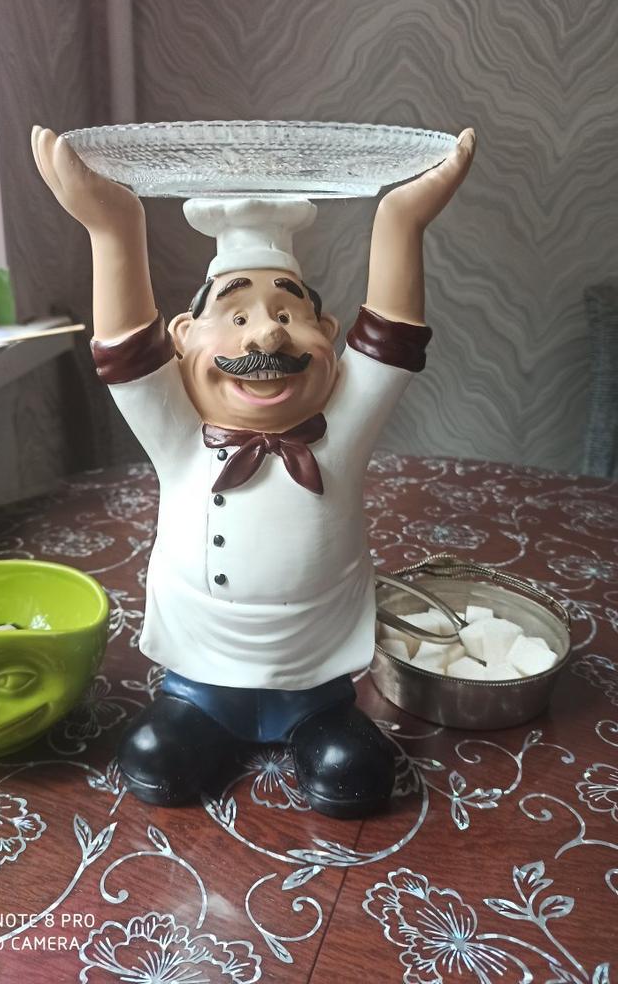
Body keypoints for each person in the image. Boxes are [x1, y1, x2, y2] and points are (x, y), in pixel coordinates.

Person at [31, 125, 476, 818]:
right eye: (235, 316)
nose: (266, 335)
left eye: (289, 313)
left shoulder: (340, 432)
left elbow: (392, 339)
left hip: (315, 671)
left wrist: (400, 219)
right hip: (201, 667)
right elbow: (126, 354)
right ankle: (200, 714)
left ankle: (317, 720)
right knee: (158, 761)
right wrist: (114, 229)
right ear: (184, 341)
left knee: (353, 771)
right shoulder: (178, 436)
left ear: (328, 339)